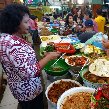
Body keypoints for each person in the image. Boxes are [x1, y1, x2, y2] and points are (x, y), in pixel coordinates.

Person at [0, 4, 60, 109]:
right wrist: (48, 57)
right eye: (26, 22)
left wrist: (40, 57)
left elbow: (23, 61)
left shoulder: (8, 38)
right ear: (15, 23)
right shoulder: (13, 45)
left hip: (20, 88)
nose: (29, 25)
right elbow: (29, 72)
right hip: (28, 91)